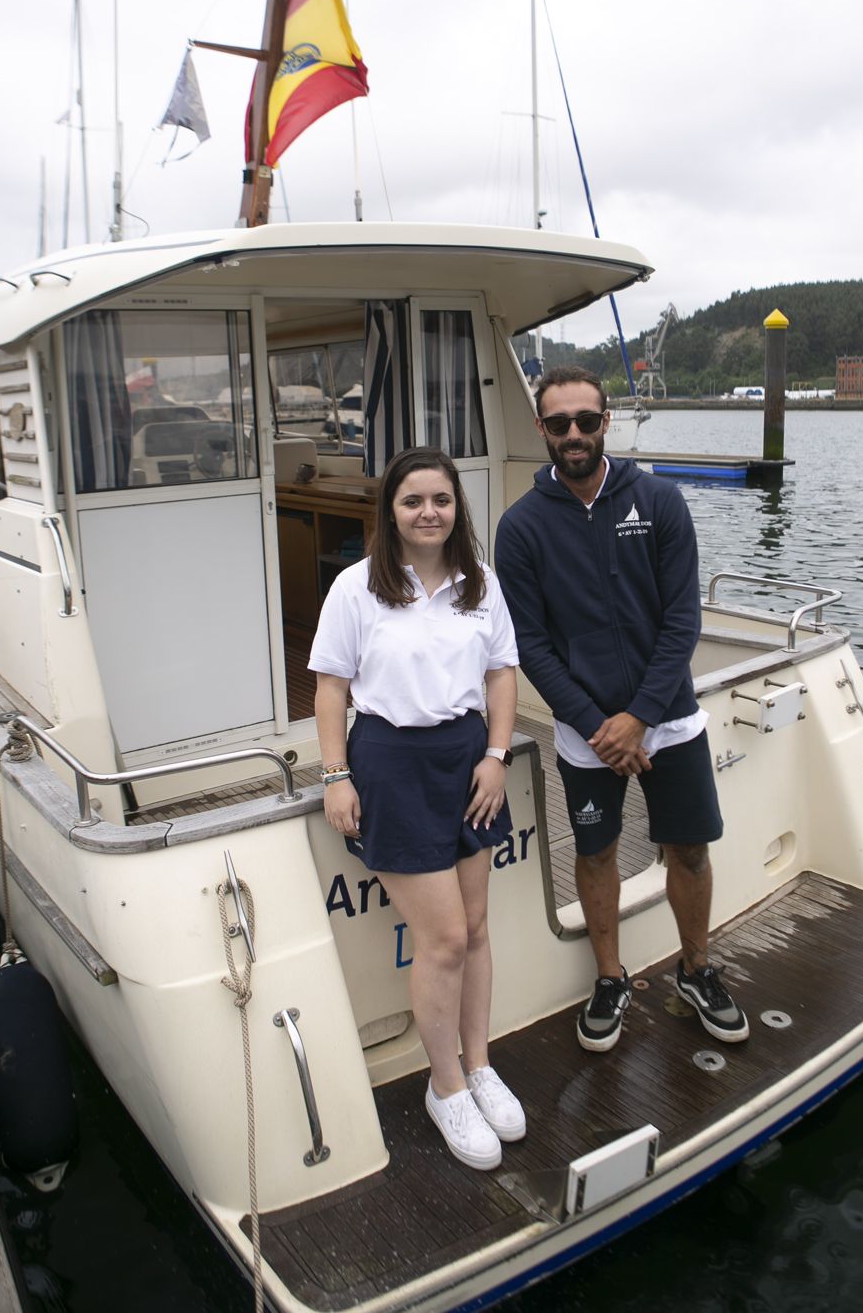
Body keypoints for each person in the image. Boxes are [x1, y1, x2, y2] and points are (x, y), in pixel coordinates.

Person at [494, 366, 749, 1053]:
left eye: (584, 420)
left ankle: (696, 969)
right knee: (595, 849)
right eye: (557, 423)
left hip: (667, 716)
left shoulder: (659, 500)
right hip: (585, 734)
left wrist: (636, 716)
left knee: (688, 849)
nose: (572, 434)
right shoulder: (519, 528)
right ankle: (610, 977)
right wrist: (595, 725)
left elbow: (679, 620)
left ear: (606, 422)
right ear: (543, 430)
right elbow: (530, 643)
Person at [309, 447, 526, 1169]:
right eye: (412, 501)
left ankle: (478, 1062)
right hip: (391, 763)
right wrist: (337, 774)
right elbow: (331, 689)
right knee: (445, 940)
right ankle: (445, 1087)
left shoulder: (479, 583)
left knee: (478, 928)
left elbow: (500, 674)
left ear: (456, 506)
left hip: (466, 759)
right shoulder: (355, 589)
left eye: (440, 499)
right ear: (390, 511)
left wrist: (495, 756)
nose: (428, 512)